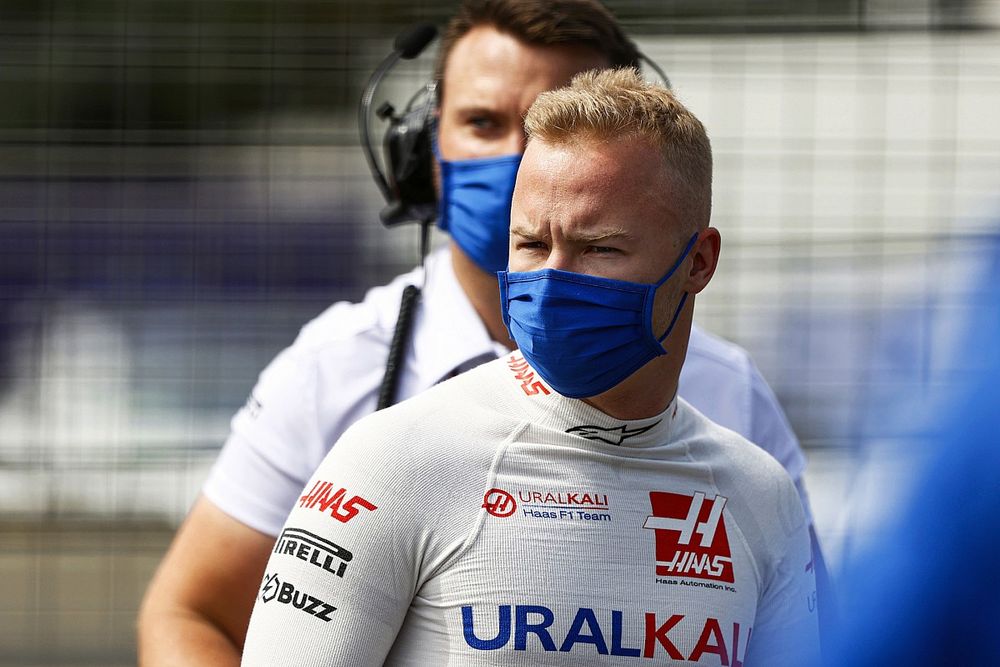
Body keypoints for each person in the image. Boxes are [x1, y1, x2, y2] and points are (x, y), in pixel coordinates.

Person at [138, 1, 821, 664]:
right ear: (422, 147)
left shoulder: (732, 405)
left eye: (557, 118)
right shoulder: (339, 373)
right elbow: (191, 609)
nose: (528, 153)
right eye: (484, 122)